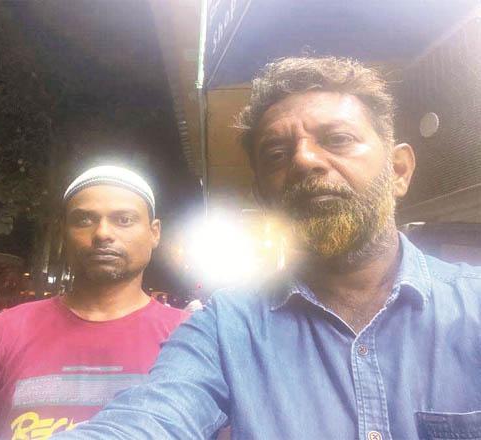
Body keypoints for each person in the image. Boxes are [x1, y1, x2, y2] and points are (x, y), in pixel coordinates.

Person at [51, 57, 481, 440]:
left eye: (337, 140)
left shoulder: (474, 306)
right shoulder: (224, 329)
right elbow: (151, 418)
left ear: (400, 170)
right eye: (276, 153)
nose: (304, 160)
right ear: (261, 195)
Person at [0, 165, 189, 439]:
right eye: (84, 220)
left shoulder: (191, 337)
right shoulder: (5, 331)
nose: (103, 233)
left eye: (124, 220)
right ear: (63, 233)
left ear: (154, 232)